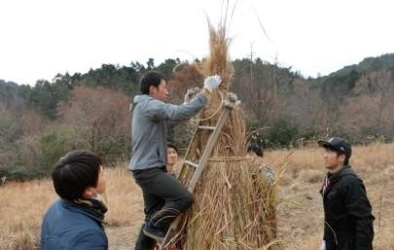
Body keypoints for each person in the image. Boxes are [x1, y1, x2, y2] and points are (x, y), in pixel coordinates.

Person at [129, 71, 221, 249]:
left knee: (152, 214)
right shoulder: (149, 105)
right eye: (164, 88)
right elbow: (180, 113)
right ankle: (155, 226)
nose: (167, 92)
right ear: (153, 89)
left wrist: (187, 104)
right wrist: (206, 91)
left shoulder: (145, 107)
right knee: (183, 198)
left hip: (145, 168)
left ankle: (149, 234)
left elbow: (169, 121)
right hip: (149, 170)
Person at [40, 150, 108, 250]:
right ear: (89, 191)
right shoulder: (88, 237)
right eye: (102, 174)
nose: (105, 177)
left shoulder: (56, 207)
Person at [318, 137, 374, 250]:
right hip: (331, 242)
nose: (324, 155)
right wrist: (325, 241)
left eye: (329, 152)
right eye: (324, 151)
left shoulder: (351, 182)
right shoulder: (330, 179)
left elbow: (364, 220)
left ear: (342, 157)